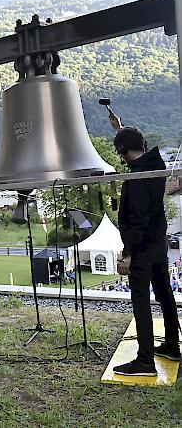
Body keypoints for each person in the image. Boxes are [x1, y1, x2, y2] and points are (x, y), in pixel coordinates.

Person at [109, 112, 181, 376]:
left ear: (124, 151)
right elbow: (132, 144)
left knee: (140, 301)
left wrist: (128, 253)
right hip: (158, 244)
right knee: (164, 295)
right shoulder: (154, 164)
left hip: (141, 249)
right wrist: (120, 129)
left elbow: (136, 220)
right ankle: (172, 346)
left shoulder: (137, 178)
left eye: (120, 152)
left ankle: (145, 361)